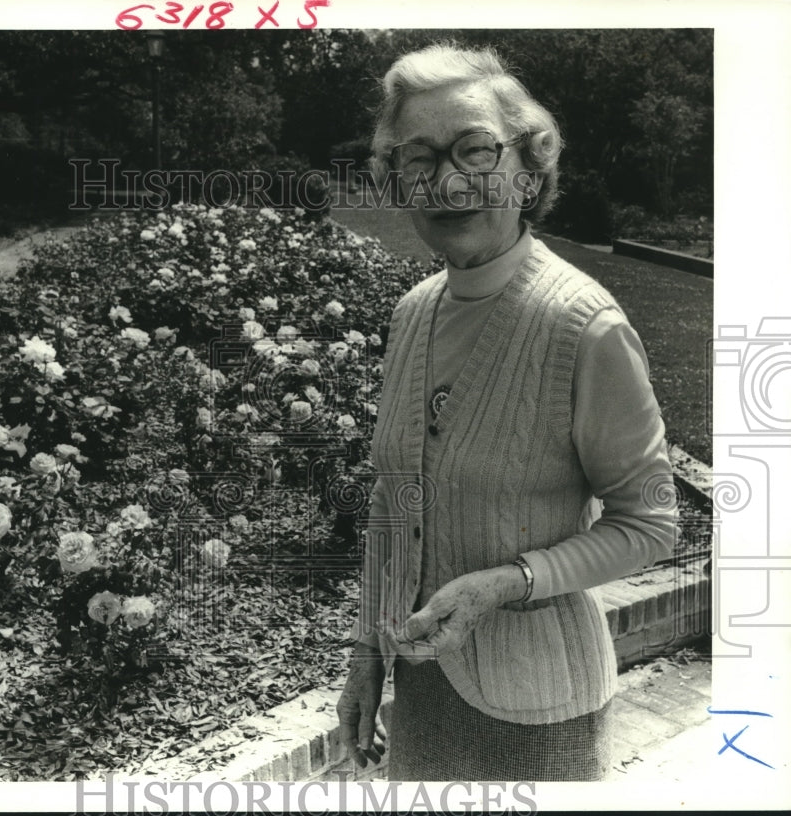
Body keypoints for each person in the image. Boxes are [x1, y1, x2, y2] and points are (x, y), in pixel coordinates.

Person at [335, 43, 678, 782]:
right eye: (419, 158)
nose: (448, 180)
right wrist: (366, 655)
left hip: (540, 713)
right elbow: (393, 505)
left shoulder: (585, 326)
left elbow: (651, 521)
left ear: (527, 169)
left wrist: (507, 582)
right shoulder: (412, 314)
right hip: (422, 692)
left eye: (475, 150)